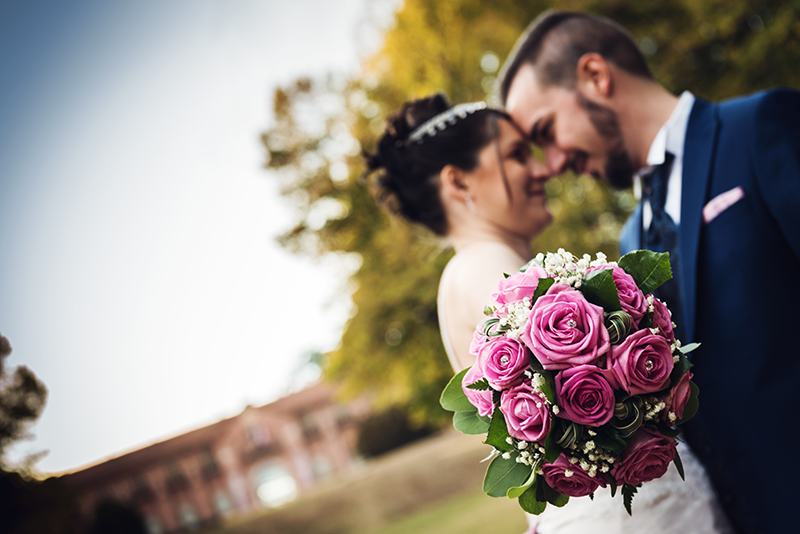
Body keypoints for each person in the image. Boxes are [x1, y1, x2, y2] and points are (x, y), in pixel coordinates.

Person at [365, 93, 730, 534]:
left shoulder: (467, 271)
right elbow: (578, 394)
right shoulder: (483, 264)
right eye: (517, 155)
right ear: (459, 184)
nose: (543, 169)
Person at [498, 10, 800, 534]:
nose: (549, 166)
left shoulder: (758, 127)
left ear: (596, 75)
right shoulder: (632, 241)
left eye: (546, 131)